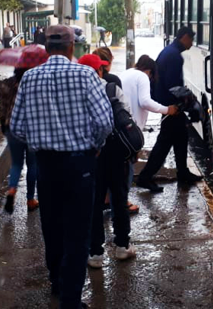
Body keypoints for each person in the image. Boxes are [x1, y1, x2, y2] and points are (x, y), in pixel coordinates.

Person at [9, 25, 113, 309]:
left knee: (52, 227)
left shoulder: (29, 78)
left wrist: (40, 141)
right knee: (78, 234)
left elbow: (16, 127)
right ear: (71, 47)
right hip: (80, 164)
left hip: (46, 165)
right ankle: (70, 300)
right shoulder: (86, 75)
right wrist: (94, 145)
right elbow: (105, 122)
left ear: (46, 48)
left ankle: (57, 282)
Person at [78, 55, 136, 266]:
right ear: (100, 70)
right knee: (119, 198)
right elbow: (128, 115)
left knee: (93, 202)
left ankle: (95, 253)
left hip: (91, 154)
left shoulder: (77, 92)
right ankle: (122, 246)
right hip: (116, 152)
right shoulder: (112, 89)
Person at [136, 26, 202, 193]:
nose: (192, 43)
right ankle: (145, 177)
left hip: (168, 104)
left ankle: (183, 172)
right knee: (164, 144)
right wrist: (187, 102)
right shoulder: (174, 56)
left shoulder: (170, 51)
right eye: (191, 39)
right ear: (185, 37)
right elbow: (173, 86)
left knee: (181, 138)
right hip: (171, 106)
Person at [0, 45, 49, 214]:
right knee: (33, 164)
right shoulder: (36, 84)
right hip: (32, 128)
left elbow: (3, 107)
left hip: (11, 127)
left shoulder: (7, 84)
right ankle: (30, 199)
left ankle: (12, 190)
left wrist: (3, 125)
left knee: (16, 163)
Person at [120, 55, 178, 130]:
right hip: (131, 126)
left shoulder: (126, 73)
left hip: (120, 120)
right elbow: (145, 102)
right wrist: (166, 110)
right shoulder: (143, 76)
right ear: (150, 71)